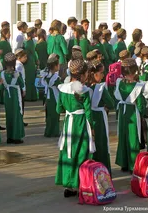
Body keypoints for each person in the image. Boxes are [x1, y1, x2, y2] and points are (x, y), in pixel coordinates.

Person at [55, 59, 95, 198]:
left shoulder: (62, 88)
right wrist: (93, 129)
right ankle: (79, 184)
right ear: (83, 74)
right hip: (81, 124)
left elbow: (58, 108)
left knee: (67, 152)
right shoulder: (84, 90)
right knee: (81, 153)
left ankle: (68, 184)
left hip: (68, 124)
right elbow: (89, 113)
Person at [114, 58, 146, 173]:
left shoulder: (119, 83)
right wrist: (143, 113)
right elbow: (141, 104)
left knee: (123, 137)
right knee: (133, 138)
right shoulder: (137, 86)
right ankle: (133, 164)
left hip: (122, 112)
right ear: (134, 71)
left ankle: (123, 163)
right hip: (132, 112)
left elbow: (115, 98)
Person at [87, 60, 115, 172]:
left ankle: (91, 168)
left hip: (89, 117)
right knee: (102, 143)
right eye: (101, 73)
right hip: (99, 116)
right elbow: (111, 104)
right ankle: (103, 169)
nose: (103, 75)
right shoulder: (100, 88)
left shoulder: (85, 87)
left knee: (91, 143)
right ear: (94, 74)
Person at [1, 53, 25, 144]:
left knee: (9, 115)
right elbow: (21, 84)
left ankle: (9, 137)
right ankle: (17, 137)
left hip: (7, 95)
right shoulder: (16, 74)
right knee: (17, 115)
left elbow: (1, 86)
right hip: (15, 94)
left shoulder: (2, 73)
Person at [41, 54, 61, 137]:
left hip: (48, 98)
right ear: (55, 66)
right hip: (55, 97)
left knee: (49, 115)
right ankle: (55, 132)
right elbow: (59, 87)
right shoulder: (56, 77)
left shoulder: (46, 76)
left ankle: (48, 131)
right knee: (55, 115)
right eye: (58, 64)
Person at [23, 27, 38, 101]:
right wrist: (37, 60)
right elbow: (34, 53)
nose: (36, 34)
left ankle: (30, 96)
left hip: (28, 62)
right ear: (31, 33)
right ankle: (30, 96)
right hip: (30, 62)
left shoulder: (27, 42)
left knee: (29, 79)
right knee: (30, 80)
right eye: (35, 32)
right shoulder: (30, 43)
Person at [15, 49, 28, 127]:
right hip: (20, 86)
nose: (26, 58)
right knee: (20, 104)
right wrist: (24, 89)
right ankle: (20, 120)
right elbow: (21, 78)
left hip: (19, 86)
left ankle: (20, 120)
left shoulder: (19, 64)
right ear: (19, 58)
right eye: (24, 57)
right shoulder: (19, 66)